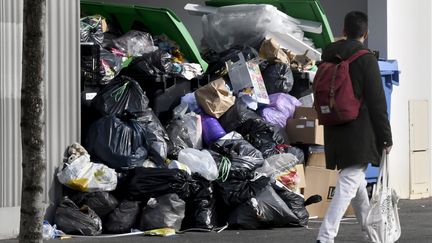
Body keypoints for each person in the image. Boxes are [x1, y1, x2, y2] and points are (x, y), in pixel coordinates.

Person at [316, 11, 393, 243]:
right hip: (358, 131)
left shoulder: (329, 55)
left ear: (344, 31)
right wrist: (386, 139)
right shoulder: (365, 58)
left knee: (357, 185)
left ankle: (374, 236)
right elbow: (378, 102)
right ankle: (325, 236)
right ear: (366, 33)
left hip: (333, 126)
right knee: (350, 180)